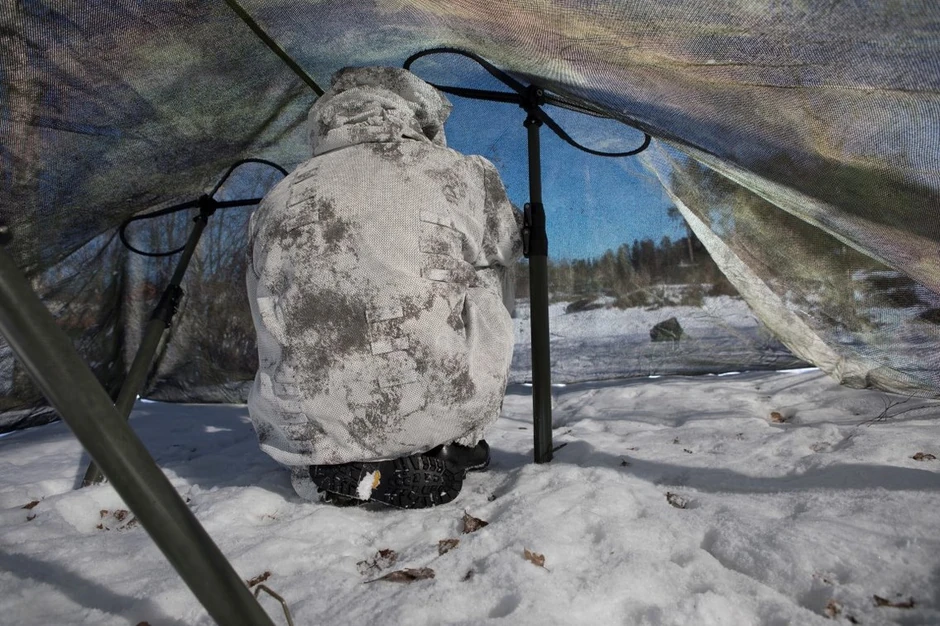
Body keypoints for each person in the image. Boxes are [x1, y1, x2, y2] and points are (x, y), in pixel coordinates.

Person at [246, 66, 521, 508]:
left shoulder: (276, 195)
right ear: (416, 115)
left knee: (277, 288)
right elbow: (505, 250)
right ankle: (454, 437)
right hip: (436, 400)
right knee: (487, 271)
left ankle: (323, 458)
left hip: (298, 423)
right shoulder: (462, 170)